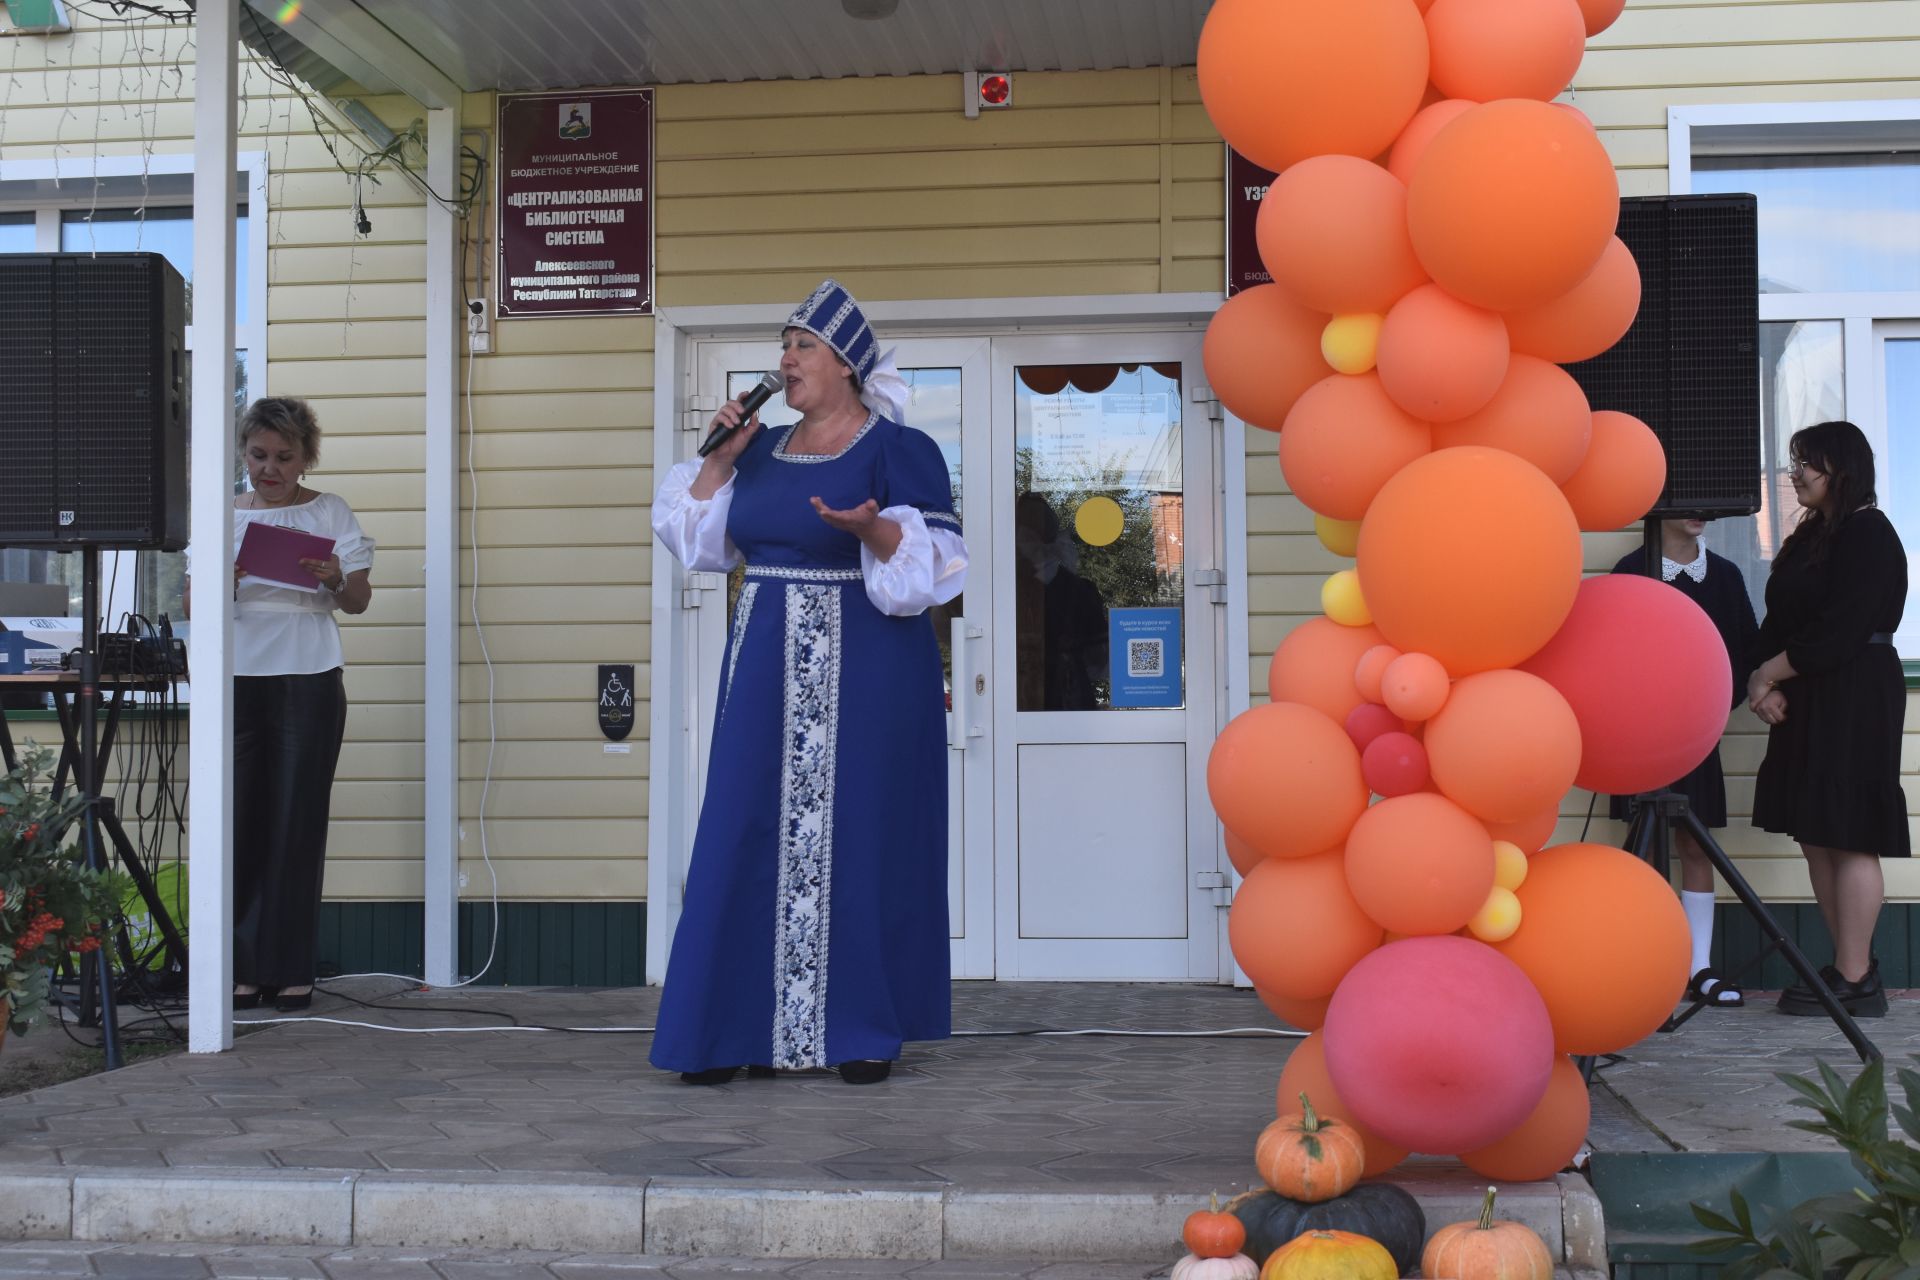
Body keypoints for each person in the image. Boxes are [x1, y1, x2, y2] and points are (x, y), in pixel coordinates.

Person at [649, 279, 966, 1085]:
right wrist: (718, 455)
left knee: (860, 830)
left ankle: (858, 1029)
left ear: (846, 365)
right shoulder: (756, 449)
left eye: (802, 346)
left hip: (871, 665)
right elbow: (699, 545)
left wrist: (874, 528)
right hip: (762, 663)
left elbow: (929, 577)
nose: (784, 361)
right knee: (743, 824)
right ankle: (729, 1029)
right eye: (784, 347)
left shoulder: (901, 451)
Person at [188, 398, 375, 1013]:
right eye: (258, 455)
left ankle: (290, 968)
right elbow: (194, 606)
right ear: (243, 452)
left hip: (308, 674)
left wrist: (330, 576)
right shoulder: (221, 514)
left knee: (296, 821)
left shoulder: (330, 511)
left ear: (306, 458)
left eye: (284, 458)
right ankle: (242, 970)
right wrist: (228, 580)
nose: (269, 469)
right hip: (236, 675)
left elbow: (357, 602)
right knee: (239, 819)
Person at [1747, 421, 1907, 1018]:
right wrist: (1756, 681)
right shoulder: (1811, 535)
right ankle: (1848, 968)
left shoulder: (1868, 533)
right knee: (1817, 833)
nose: (1796, 474)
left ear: (1840, 468)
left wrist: (1770, 673)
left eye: (1805, 463)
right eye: (1793, 462)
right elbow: (1781, 622)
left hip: (1857, 691)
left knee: (1851, 833)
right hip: (1810, 690)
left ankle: (1855, 974)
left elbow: (1842, 630)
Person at [1607, 516, 1757, 1007]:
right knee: (1644, 845)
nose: (1700, 512)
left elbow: (1743, 654)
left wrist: (1710, 708)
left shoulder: (1727, 576)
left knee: (1695, 843)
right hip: (1640, 737)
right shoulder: (1630, 571)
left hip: (1697, 735)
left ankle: (1699, 968)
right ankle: (1645, 966)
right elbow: (1611, 654)